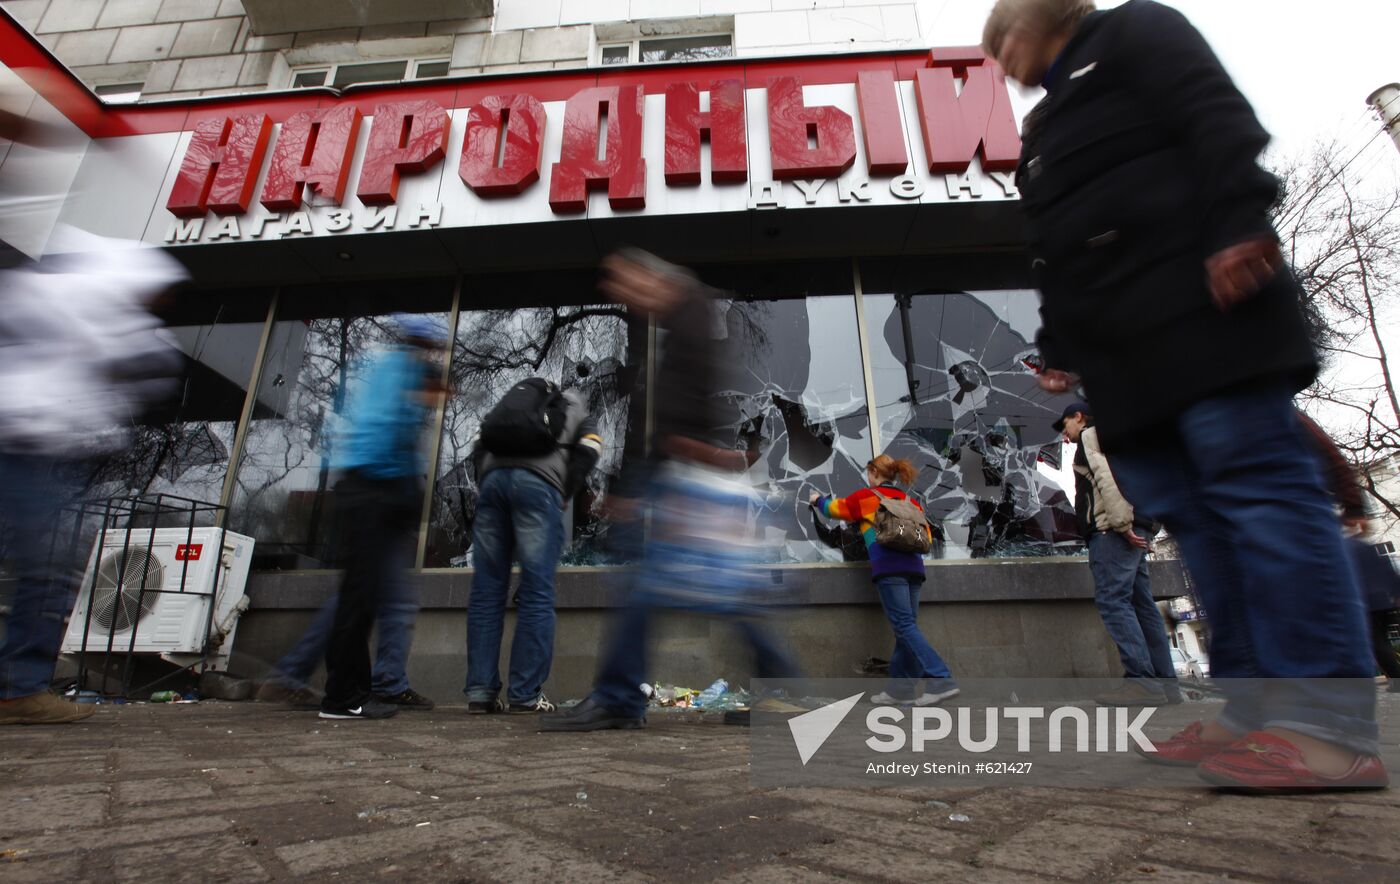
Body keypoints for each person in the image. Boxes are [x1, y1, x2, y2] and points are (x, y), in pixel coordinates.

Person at [985, 0, 1386, 789]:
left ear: (1051, 14)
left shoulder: (1138, 31)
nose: (997, 55)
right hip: (1130, 366)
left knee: (1264, 502)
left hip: (1209, 312)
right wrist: (1061, 352)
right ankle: (1250, 715)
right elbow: (1055, 251)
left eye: (1001, 37)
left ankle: (1330, 728)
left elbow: (1217, 119)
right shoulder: (1043, 132)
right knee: (1204, 532)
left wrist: (1239, 224)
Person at [540, 250, 801, 732]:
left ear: (652, 279)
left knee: (663, 590)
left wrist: (670, 471)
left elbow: (688, 405)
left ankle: (621, 697)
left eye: (624, 284)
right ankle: (781, 691)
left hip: (682, 475)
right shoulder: (672, 324)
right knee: (711, 591)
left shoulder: (690, 316)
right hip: (674, 473)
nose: (621, 295)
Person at [0, 228, 185, 724]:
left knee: (51, 568)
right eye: (157, 293)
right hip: (19, 445)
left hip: (36, 450)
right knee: (49, 568)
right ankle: (18, 687)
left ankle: (19, 685)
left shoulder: (84, 312)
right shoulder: (75, 303)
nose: (159, 304)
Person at [318, 315, 446, 721]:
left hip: (366, 490)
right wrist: (403, 491)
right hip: (372, 491)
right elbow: (385, 431)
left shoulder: (386, 369)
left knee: (363, 597)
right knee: (359, 599)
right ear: (423, 343)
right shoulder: (401, 371)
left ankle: (352, 691)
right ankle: (342, 697)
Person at [464, 377, 602, 714]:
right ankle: (525, 694)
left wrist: (488, 481)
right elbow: (590, 450)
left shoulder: (509, 409)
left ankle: (481, 692)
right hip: (539, 489)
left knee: (486, 592)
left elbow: (479, 443)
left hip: (495, 484)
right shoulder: (575, 409)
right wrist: (564, 493)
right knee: (537, 591)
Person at [809, 454, 959, 706]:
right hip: (914, 568)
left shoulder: (868, 497)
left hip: (889, 569)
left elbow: (836, 510)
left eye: (869, 473)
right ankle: (900, 689)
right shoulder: (910, 501)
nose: (868, 478)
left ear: (874, 473)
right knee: (906, 628)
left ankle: (940, 679)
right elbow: (928, 538)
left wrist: (817, 500)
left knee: (904, 626)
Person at [1055, 401, 1179, 706]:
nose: (1065, 433)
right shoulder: (1121, 437)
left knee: (1113, 600)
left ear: (1079, 417)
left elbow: (1105, 475)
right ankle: (1166, 685)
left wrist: (1123, 524)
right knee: (1142, 604)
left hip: (1113, 529)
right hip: (1139, 524)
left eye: (1065, 424)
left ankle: (1142, 682)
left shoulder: (1090, 435)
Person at [255, 541, 432, 709]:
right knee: (370, 598)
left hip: (381, 525)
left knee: (381, 598)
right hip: (382, 524)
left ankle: (388, 680)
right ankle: (290, 674)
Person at [1296, 411, 1400, 691]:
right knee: (1373, 640)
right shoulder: (1361, 547)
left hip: (1365, 601)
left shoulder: (1344, 546)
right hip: (1379, 602)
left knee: (1370, 640)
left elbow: (1327, 452)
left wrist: (1352, 502)